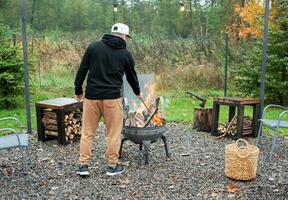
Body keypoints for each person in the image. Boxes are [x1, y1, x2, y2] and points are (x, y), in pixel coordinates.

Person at [74, 23, 142, 176]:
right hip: (112, 99)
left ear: (111, 33)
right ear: (124, 36)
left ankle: (83, 166)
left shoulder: (93, 47)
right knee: (113, 133)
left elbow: (82, 70)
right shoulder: (125, 54)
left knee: (87, 132)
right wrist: (137, 92)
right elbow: (132, 76)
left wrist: (78, 90)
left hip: (92, 97)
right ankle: (112, 166)